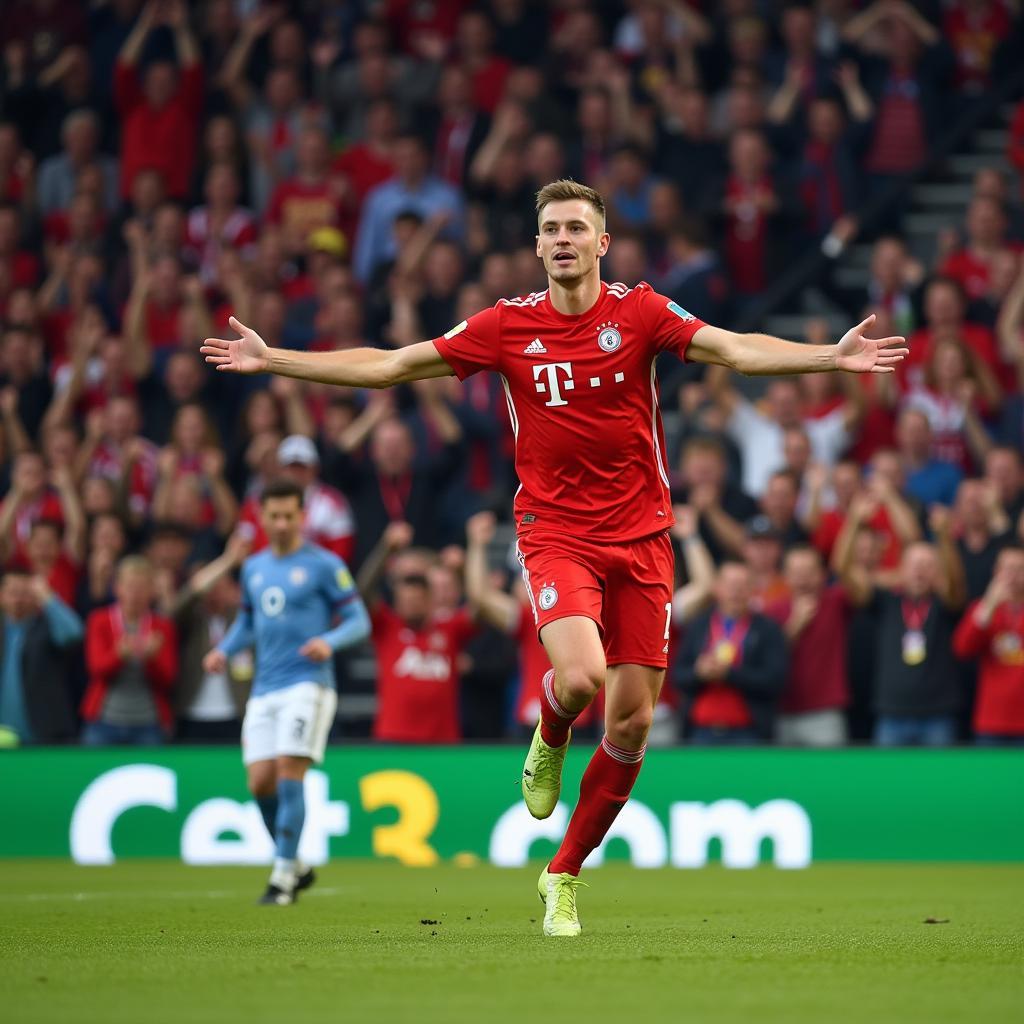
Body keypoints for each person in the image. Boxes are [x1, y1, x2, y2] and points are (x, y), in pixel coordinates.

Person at [201, 178, 906, 937]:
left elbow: (734, 350)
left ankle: (562, 874)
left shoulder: (639, 313)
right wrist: (276, 360)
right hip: (556, 532)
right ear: (536, 246)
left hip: (643, 539)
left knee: (632, 727)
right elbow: (392, 366)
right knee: (579, 677)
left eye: (577, 227)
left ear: (602, 242)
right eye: (551, 229)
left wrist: (827, 360)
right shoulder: (506, 327)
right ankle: (550, 735)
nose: (564, 238)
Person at [203, 478, 371, 906]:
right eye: (273, 515)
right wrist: (224, 650)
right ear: (261, 517)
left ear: (302, 516)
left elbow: (358, 620)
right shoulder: (255, 567)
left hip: (308, 684)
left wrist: (328, 642)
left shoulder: (324, 564)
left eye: (288, 515)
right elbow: (247, 621)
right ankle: (294, 863)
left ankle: (281, 879)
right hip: (264, 688)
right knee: (260, 783)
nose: (280, 523)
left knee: (287, 772)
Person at [839, 507, 967, 746]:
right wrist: (854, 523)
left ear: (937, 571)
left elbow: (955, 582)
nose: (919, 570)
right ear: (901, 569)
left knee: (939, 783)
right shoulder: (886, 601)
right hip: (892, 713)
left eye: (928, 565)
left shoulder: (945, 603)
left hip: (938, 715)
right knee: (888, 783)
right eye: (914, 564)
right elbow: (844, 571)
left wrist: (944, 538)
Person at [356, 521, 477, 743]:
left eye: (418, 598)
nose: (412, 604)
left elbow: (479, 607)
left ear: (431, 600)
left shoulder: (450, 628)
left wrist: (463, 568)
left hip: (442, 742)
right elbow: (363, 592)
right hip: (392, 739)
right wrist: (386, 549)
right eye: (406, 599)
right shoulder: (387, 626)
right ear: (397, 601)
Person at [675, 561, 788, 744]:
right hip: (700, 732)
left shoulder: (768, 629)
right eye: (731, 586)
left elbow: (774, 681)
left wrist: (729, 674)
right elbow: (678, 676)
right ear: (717, 588)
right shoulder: (698, 626)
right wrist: (698, 673)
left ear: (753, 590)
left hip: (749, 733)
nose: (736, 592)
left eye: (743, 586)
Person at [81, 556, 179, 746]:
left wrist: (152, 659)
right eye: (130, 586)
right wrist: (118, 656)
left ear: (152, 591)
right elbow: (95, 669)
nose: (135, 594)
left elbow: (169, 679)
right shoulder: (99, 620)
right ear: (117, 588)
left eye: (142, 587)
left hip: (148, 723)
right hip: (104, 721)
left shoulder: (162, 626)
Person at [0, 568, 83, 745]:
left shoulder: (47, 627)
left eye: (25, 593)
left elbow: (74, 633)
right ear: (1, 596)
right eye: (13, 593)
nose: (18, 600)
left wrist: (48, 598)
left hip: (42, 734)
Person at [952, 545, 1024, 746]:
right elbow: (962, 648)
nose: (1013, 576)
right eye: (1008, 569)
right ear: (996, 572)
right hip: (992, 721)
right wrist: (990, 604)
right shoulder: (982, 609)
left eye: (1020, 569)